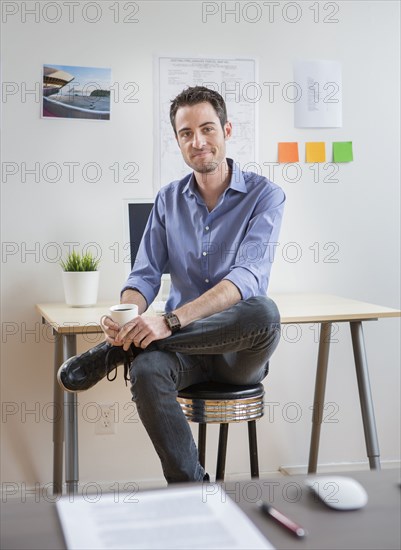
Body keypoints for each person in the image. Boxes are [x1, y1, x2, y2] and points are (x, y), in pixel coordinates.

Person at [58, 86, 286, 483]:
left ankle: (114, 354)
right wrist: (126, 315)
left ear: (227, 130)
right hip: (184, 355)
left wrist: (169, 322)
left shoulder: (265, 196)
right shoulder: (168, 200)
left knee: (264, 313)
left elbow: (247, 277)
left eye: (207, 128)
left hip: (236, 354)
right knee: (146, 370)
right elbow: (144, 274)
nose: (198, 141)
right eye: (186, 133)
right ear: (177, 139)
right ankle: (192, 492)